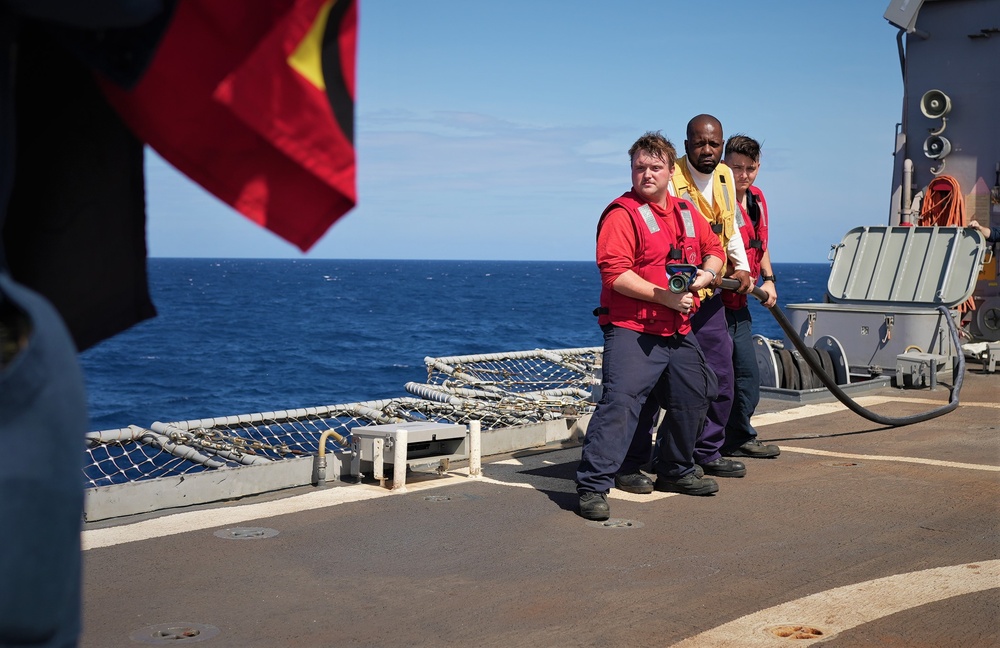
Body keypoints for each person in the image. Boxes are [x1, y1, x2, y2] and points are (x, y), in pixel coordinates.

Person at [575, 131, 725, 521]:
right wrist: (666, 296)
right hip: (633, 327)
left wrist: (706, 277)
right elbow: (615, 275)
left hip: (676, 327)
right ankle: (594, 485)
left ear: (669, 170)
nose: (646, 174)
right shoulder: (621, 214)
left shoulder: (687, 212)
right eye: (639, 166)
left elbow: (715, 249)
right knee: (620, 403)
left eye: (655, 167)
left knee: (696, 394)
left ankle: (675, 469)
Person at [667, 115, 754, 478]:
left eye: (714, 144)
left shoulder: (723, 176)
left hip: (711, 295)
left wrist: (743, 267)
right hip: (675, 296)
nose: (707, 150)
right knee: (671, 383)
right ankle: (665, 457)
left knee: (721, 374)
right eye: (700, 143)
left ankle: (708, 451)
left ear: (722, 145)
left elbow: (728, 227)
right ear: (686, 145)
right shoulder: (670, 179)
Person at [720, 135, 781, 458]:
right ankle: (705, 446)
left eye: (750, 168)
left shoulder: (757, 199)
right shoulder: (716, 200)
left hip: (742, 302)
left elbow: (761, 243)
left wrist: (768, 280)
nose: (743, 175)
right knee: (715, 377)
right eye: (736, 168)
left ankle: (740, 436)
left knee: (746, 374)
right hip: (714, 304)